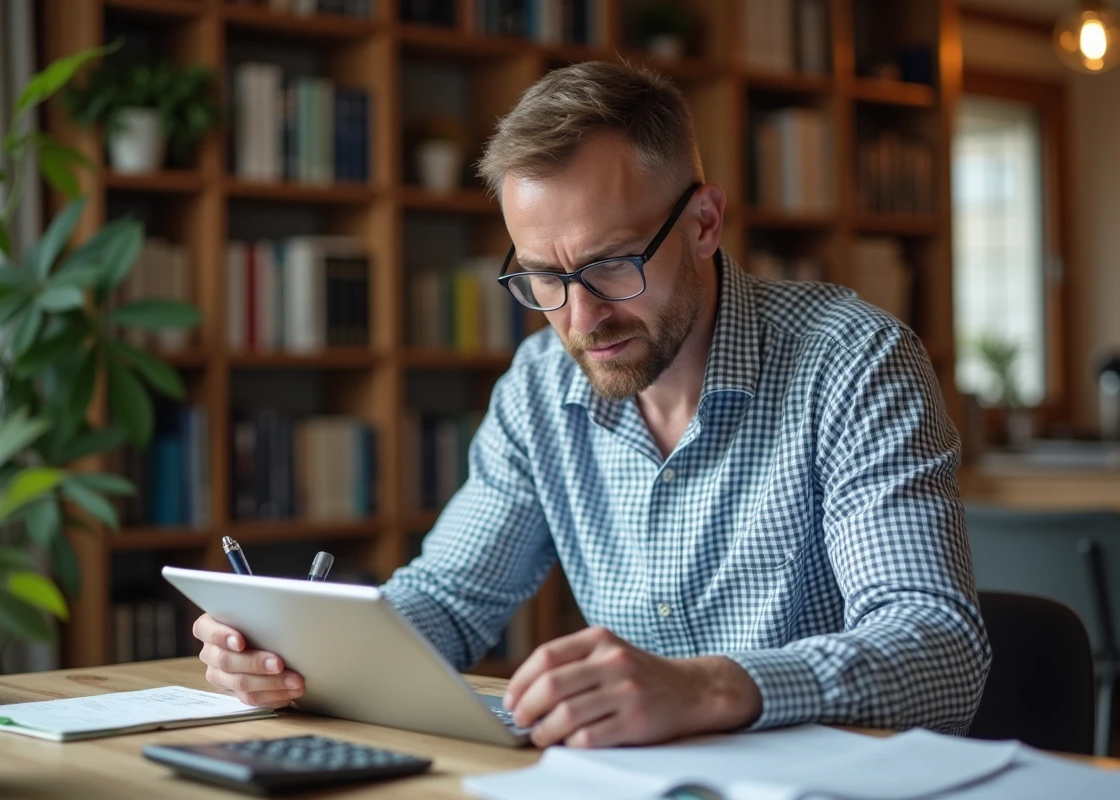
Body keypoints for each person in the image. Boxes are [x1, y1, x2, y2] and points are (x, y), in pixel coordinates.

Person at [193, 61, 990, 749]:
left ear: (705, 222)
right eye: (543, 277)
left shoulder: (852, 363)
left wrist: (710, 689)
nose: (579, 319)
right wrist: (298, 657)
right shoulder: (541, 384)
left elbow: (937, 650)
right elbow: (447, 599)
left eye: (612, 265)